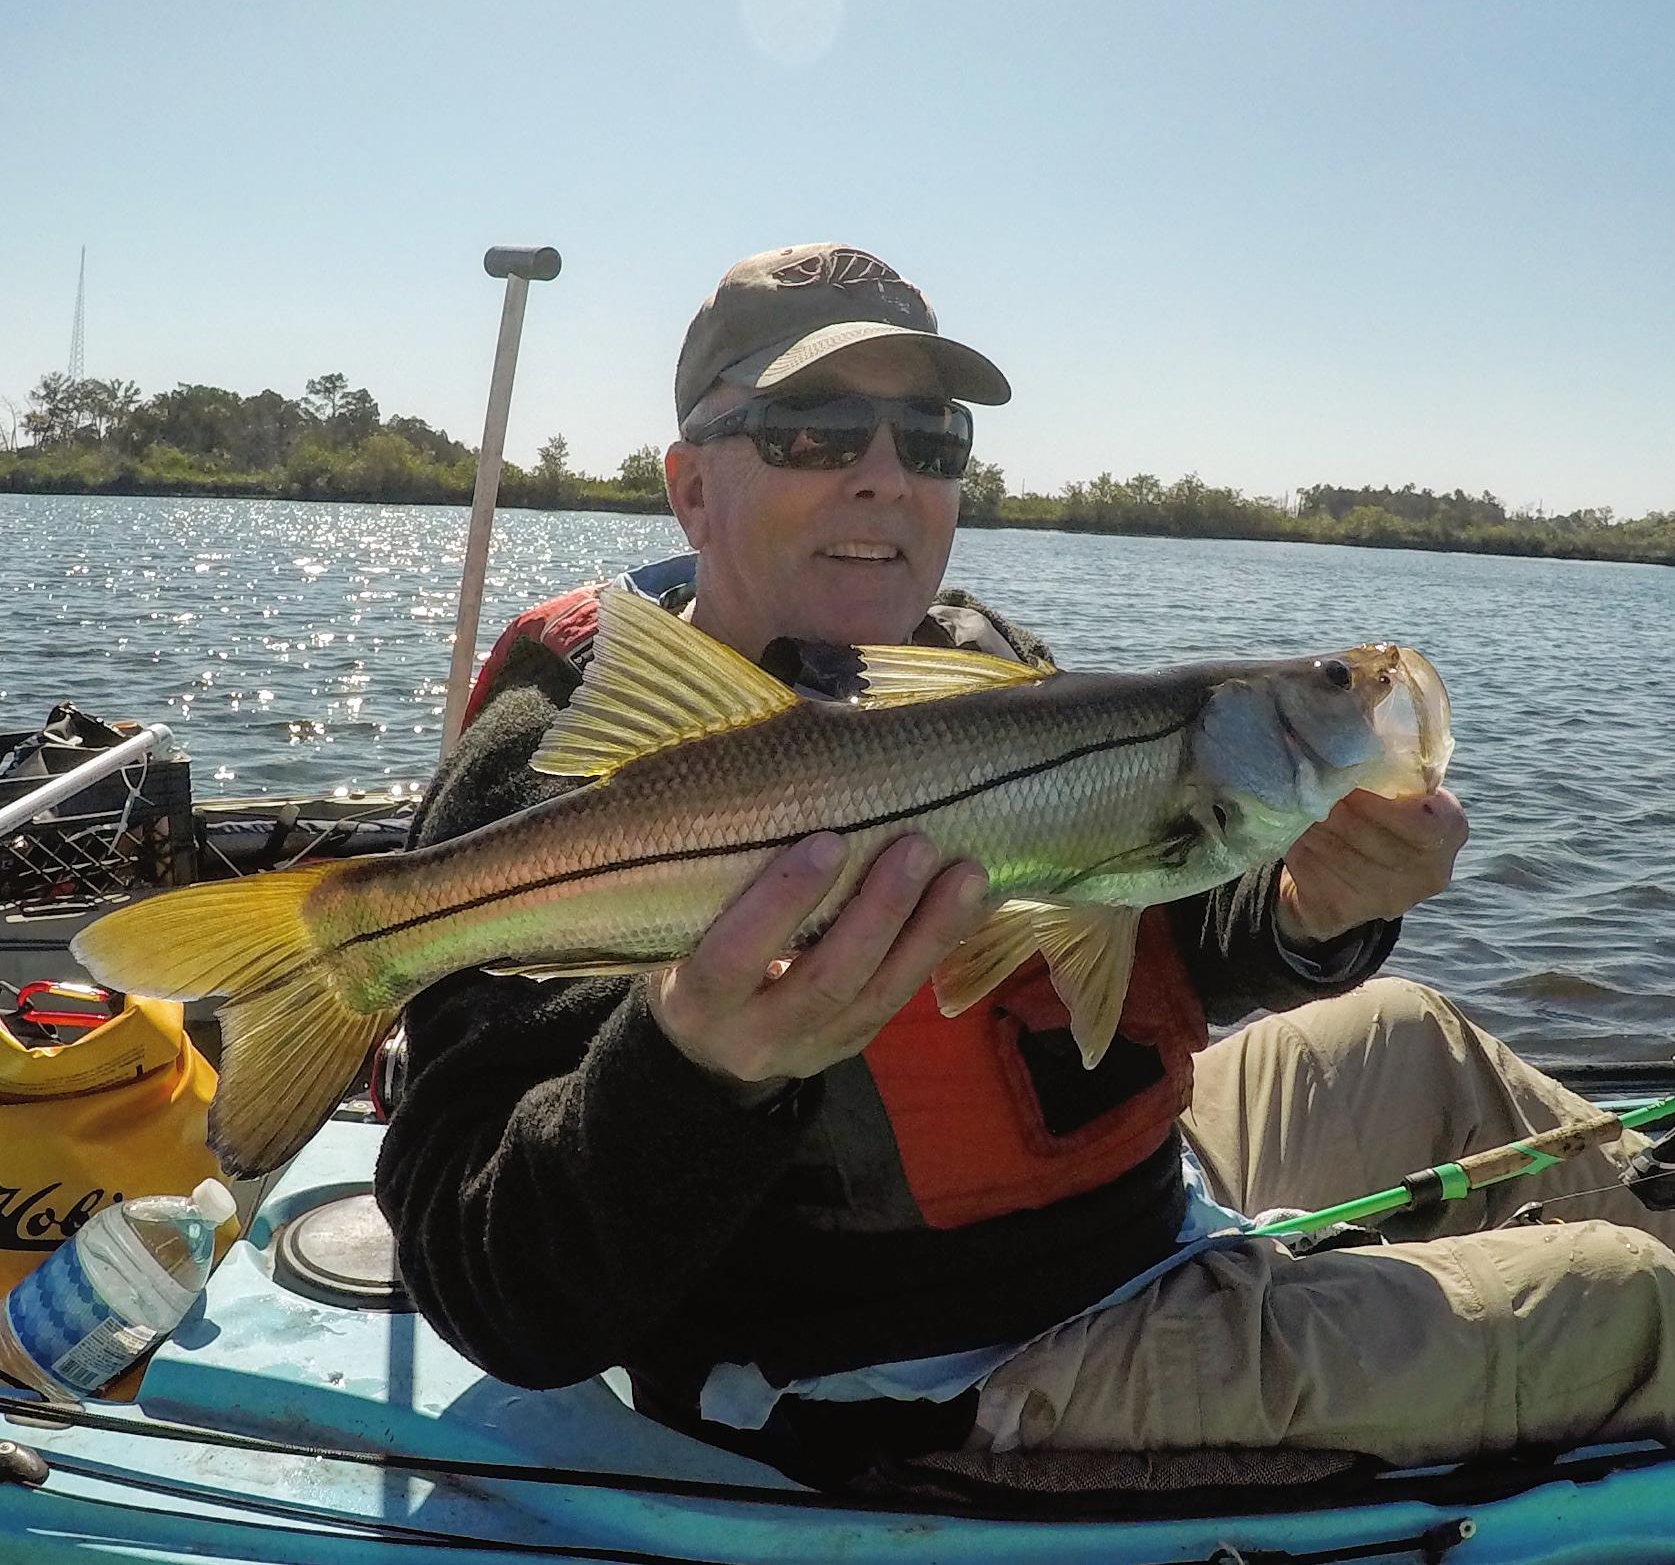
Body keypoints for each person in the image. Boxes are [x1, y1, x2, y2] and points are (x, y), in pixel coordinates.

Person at [376, 243, 1675, 1487]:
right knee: (1638, 1308)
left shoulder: (976, 666)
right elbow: (495, 1281)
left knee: (1409, 1036)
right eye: (814, 433)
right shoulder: (568, 775)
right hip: (932, 1373)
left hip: (1127, 1216)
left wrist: (1303, 904)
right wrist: (696, 1067)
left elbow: (1114, 923)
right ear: (691, 489)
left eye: (932, 441)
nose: (887, 476)